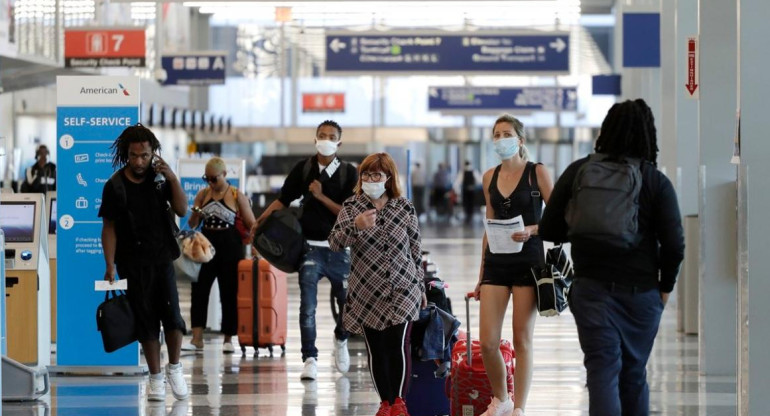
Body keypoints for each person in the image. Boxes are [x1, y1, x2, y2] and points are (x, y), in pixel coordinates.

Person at [539, 99, 685, 416]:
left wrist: (582, 226)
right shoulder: (654, 181)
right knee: (633, 376)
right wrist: (665, 287)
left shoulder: (580, 171)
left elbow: (549, 227)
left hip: (591, 290)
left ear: (606, 130)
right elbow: (674, 244)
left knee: (602, 372)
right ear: (648, 134)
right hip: (642, 293)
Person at [254, 120, 358, 380]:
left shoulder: (348, 173)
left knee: (348, 303)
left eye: (331, 136)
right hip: (309, 248)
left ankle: (341, 338)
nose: (325, 139)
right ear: (315, 139)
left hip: (339, 248)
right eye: (321, 135)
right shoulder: (304, 168)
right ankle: (309, 357)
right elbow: (282, 200)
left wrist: (321, 196)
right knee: (307, 306)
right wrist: (259, 222)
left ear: (339, 143)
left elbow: (349, 213)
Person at [328, 152, 426, 416]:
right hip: (367, 291)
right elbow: (335, 243)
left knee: (399, 346)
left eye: (377, 175)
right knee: (378, 349)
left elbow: (416, 251)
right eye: (366, 174)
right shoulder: (351, 207)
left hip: (403, 288)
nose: (371, 179)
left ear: (388, 178)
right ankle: (385, 402)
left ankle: (399, 403)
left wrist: (421, 286)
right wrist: (356, 227)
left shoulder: (404, 207)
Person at [99, 124, 189, 402]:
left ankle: (174, 367)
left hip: (162, 258)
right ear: (126, 154)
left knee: (173, 319)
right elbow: (109, 228)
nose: (139, 161)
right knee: (146, 323)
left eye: (145, 156)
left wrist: (173, 178)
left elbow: (182, 210)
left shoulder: (161, 180)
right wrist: (110, 264)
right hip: (132, 263)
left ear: (153, 154)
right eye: (134, 156)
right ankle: (156, 378)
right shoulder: (114, 186)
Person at [472, 114, 553, 416]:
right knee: (488, 342)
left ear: (520, 139)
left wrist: (532, 229)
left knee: (522, 338)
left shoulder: (537, 173)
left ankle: (519, 407)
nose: (500, 139)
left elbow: (557, 219)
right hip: (496, 262)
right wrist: (481, 274)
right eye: (496, 134)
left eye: (506, 133)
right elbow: (488, 224)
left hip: (528, 261)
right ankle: (500, 399)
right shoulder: (489, 177)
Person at [183, 157, 256, 353]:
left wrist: (257, 247)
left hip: (230, 246)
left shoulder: (236, 195)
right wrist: (196, 212)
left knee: (229, 292)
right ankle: (197, 338)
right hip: (206, 246)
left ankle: (228, 338)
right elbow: (191, 224)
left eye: (214, 179)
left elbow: (251, 224)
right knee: (198, 290)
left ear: (224, 175)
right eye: (206, 178)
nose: (210, 183)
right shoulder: (202, 194)